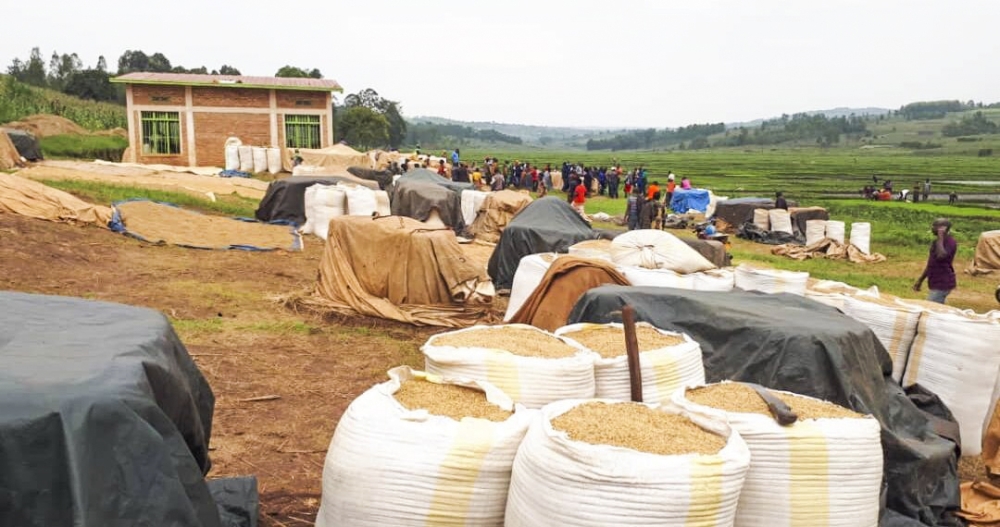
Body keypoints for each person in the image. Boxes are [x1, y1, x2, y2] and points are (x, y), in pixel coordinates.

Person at [913, 218, 957, 304]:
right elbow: (931, 263)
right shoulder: (936, 242)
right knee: (937, 308)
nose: (932, 228)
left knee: (930, 307)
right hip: (935, 281)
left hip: (943, 283)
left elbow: (941, 256)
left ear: (943, 228)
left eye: (934, 226)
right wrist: (920, 280)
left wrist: (940, 236)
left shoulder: (950, 242)